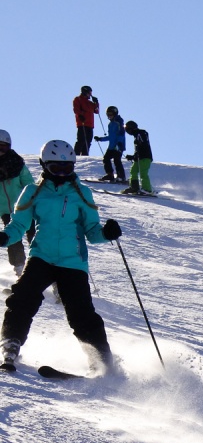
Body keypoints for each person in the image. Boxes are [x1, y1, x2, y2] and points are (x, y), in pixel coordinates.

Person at [0, 140, 121, 374]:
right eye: (57, 169)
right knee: (22, 298)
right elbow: (19, 224)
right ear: (45, 166)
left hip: (72, 262)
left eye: (68, 168)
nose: (63, 174)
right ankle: (11, 343)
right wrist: (5, 237)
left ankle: (102, 362)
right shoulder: (32, 192)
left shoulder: (82, 194)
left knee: (81, 314)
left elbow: (93, 233)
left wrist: (107, 233)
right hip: (41, 257)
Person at [0, 129, 35, 277]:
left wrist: (34, 201)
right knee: (13, 241)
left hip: (24, 209)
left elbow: (30, 185)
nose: (1, 150)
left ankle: (51, 278)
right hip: (6, 212)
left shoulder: (17, 164)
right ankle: (20, 272)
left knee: (35, 237)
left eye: (4, 147)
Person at [95, 106, 127, 183]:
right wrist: (100, 139)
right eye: (108, 114)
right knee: (106, 159)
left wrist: (119, 143)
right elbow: (110, 137)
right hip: (112, 146)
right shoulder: (110, 124)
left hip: (118, 145)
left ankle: (121, 176)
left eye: (111, 114)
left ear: (115, 113)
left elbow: (121, 133)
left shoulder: (119, 122)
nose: (109, 116)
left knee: (117, 160)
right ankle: (110, 174)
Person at [123, 121, 153, 194]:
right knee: (133, 171)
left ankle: (147, 190)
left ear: (131, 128)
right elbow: (139, 148)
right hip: (139, 157)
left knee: (143, 173)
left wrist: (135, 156)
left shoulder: (141, 133)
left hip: (145, 157)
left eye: (127, 130)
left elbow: (143, 145)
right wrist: (134, 156)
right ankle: (134, 187)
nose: (127, 132)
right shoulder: (137, 135)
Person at [72, 86, 100, 156]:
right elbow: (76, 109)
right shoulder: (78, 99)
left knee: (88, 141)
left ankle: (85, 155)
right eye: (89, 93)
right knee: (81, 140)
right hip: (82, 123)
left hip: (90, 124)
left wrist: (96, 103)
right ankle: (76, 154)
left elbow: (96, 111)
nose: (90, 94)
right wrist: (80, 115)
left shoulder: (90, 103)